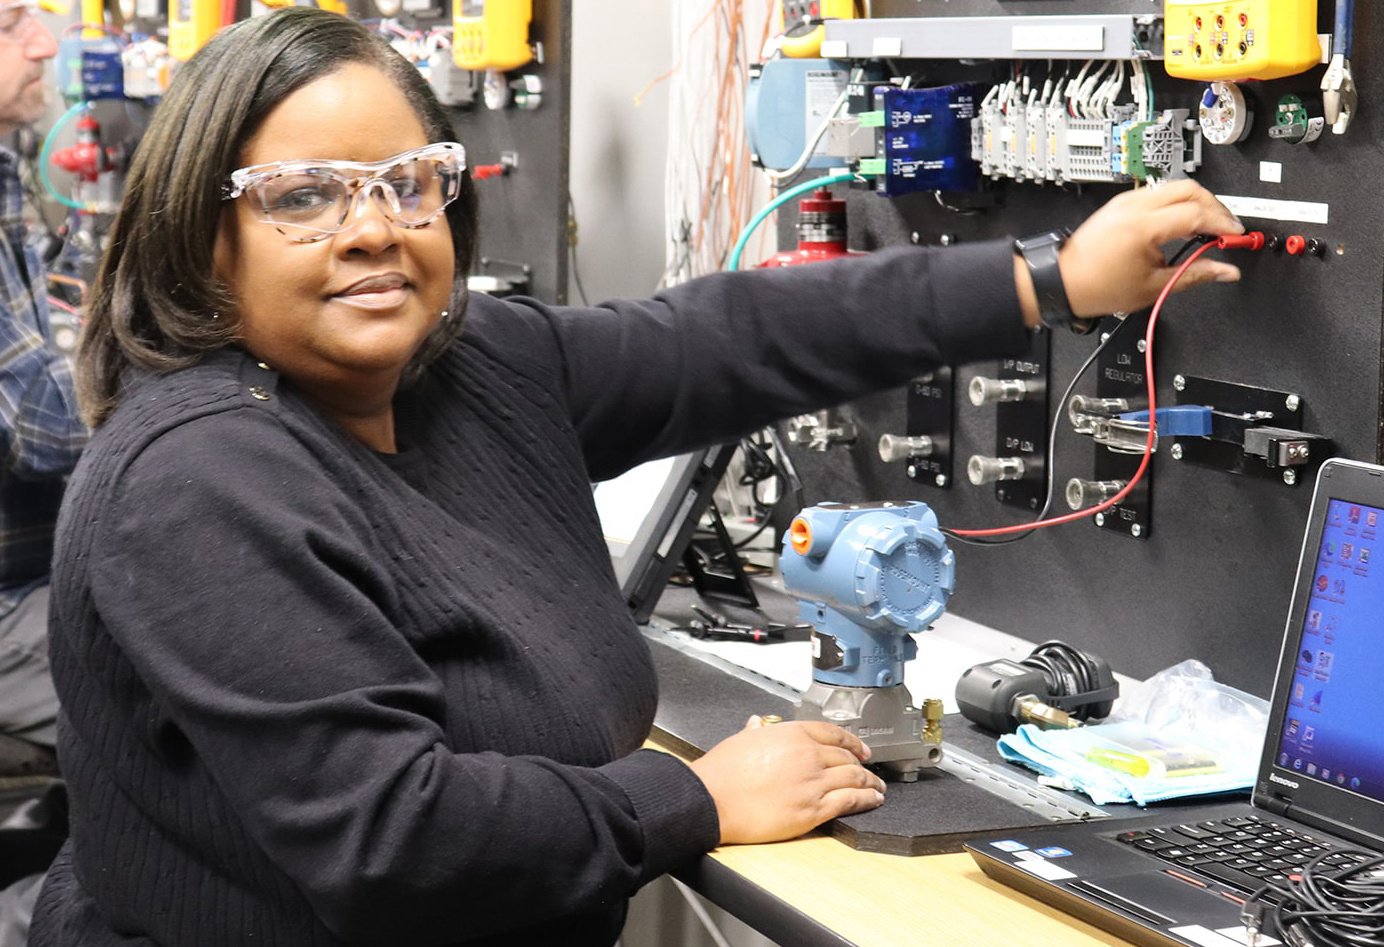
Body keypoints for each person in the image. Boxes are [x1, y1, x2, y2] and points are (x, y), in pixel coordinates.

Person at [31, 8, 1244, 946]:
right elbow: (388, 841)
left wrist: (1051, 278)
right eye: (302, 197)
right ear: (203, 233)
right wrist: (693, 797)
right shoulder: (198, 480)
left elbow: (730, 338)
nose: (371, 227)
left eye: (407, 183)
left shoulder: (479, 366)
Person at [0, 3, 81, 945]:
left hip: (29, 572)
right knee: (190, 674)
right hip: (9, 601)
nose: (48, 45)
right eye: (17, 18)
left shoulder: (10, 168)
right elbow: (47, 426)